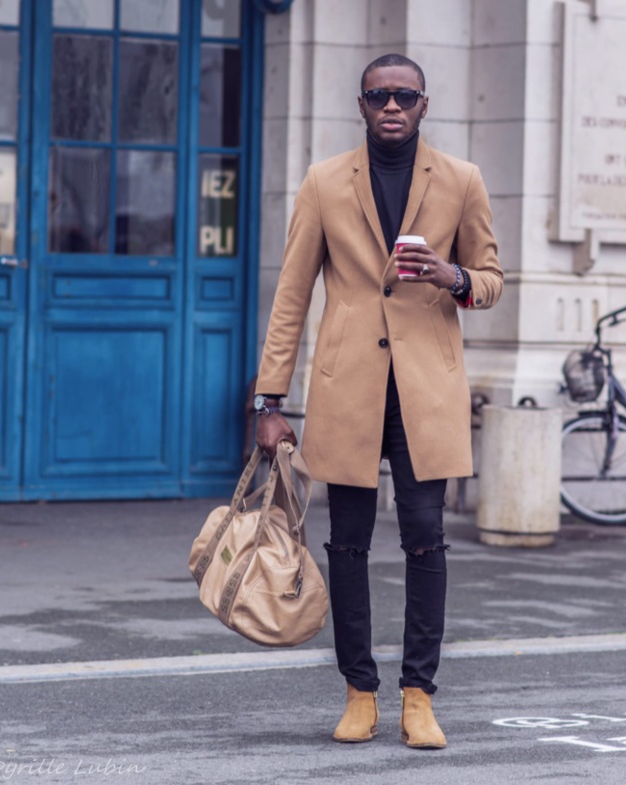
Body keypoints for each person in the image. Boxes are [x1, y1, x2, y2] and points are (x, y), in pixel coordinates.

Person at [254, 53, 503, 748]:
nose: (391, 106)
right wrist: (268, 398)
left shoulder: (461, 180)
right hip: (348, 390)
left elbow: (491, 278)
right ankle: (358, 689)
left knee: (426, 539)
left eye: (404, 95)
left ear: (424, 104)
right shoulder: (325, 182)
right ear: (361, 105)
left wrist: (454, 275)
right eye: (377, 95)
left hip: (427, 391)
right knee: (348, 543)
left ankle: (418, 694)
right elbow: (292, 295)